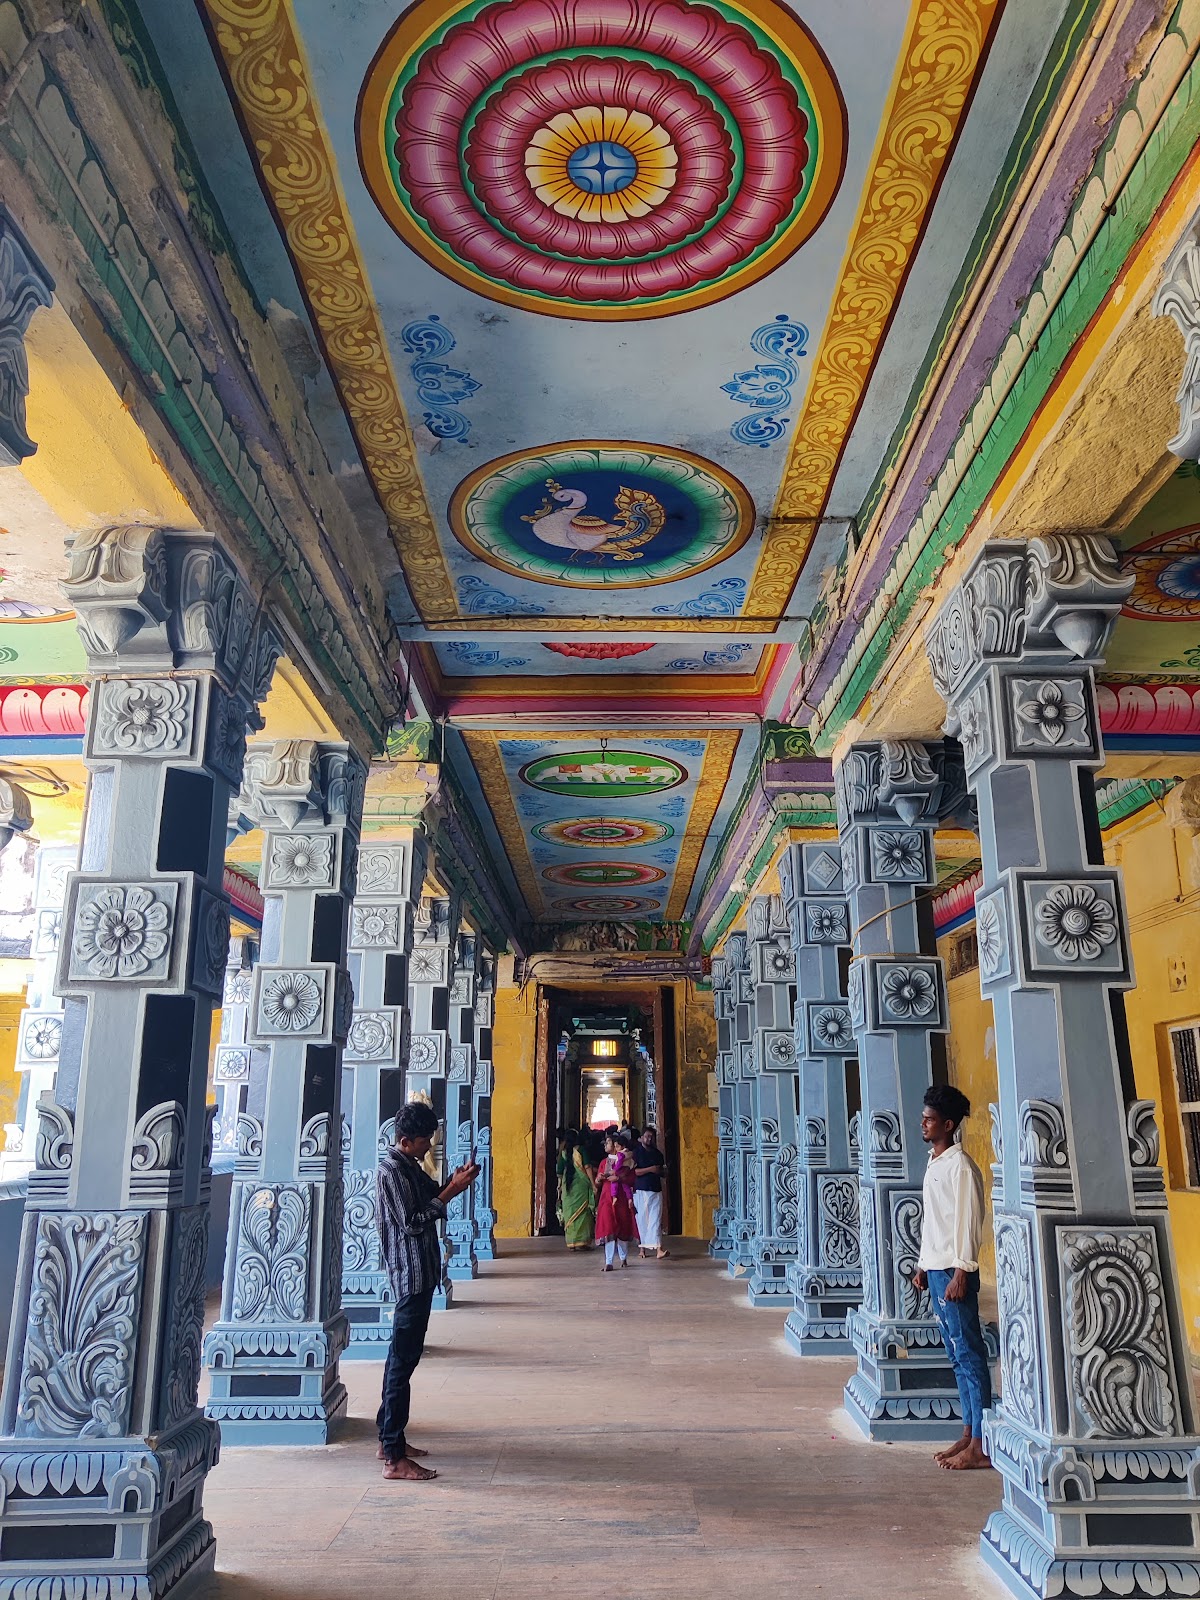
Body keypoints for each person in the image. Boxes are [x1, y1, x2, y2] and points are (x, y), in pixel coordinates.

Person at [375, 1100, 479, 1481]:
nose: (427, 1148)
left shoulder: (409, 1168)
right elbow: (413, 1221)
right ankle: (393, 1457)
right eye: (424, 1142)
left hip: (421, 1272)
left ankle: (390, 1440)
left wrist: (454, 1181)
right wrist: (451, 1191)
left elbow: (428, 1195)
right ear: (406, 1140)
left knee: (402, 1359)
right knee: (402, 1363)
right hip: (411, 1274)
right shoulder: (391, 1173)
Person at [911, 1084, 993, 1471]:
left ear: (947, 1124)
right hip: (938, 1269)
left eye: (928, 1119)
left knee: (970, 1355)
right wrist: (924, 1265)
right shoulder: (935, 1162)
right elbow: (935, 1222)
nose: (922, 1124)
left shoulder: (961, 1167)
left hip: (956, 1273)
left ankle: (982, 1442)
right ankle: (968, 1431)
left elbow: (968, 1221)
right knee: (956, 1357)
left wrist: (962, 1270)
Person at [594, 1130, 639, 1271]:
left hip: (621, 1198)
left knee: (622, 1228)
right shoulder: (603, 1162)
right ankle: (608, 1262)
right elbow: (597, 1183)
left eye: (607, 1143)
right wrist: (599, 1179)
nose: (605, 1145)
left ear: (615, 1145)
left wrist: (619, 1178)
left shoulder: (627, 1161)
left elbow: (632, 1179)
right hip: (606, 1199)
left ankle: (623, 1257)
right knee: (608, 1228)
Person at [556, 1127, 596, 1250]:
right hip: (581, 1187)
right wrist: (593, 1184)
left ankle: (571, 1242)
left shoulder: (563, 1153)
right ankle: (582, 1242)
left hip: (567, 1188)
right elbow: (588, 1167)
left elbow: (560, 1173)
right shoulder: (581, 1150)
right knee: (583, 1213)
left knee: (570, 1214)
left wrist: (559, 1187)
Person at [633, 1126, 669, 1260]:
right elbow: (634, 1172)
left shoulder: (658, 1154)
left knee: (656, 1219)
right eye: (647, 1136)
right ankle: (642, 1249)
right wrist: (650, 1169)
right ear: (641, 1138)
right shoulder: (636, 1153)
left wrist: (661, 1171)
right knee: (642, 1220)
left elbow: (662, 1171)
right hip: (641, 1190)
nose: (649, 1139)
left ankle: (659, 1249)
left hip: (655, 1189)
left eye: (651, 1137)